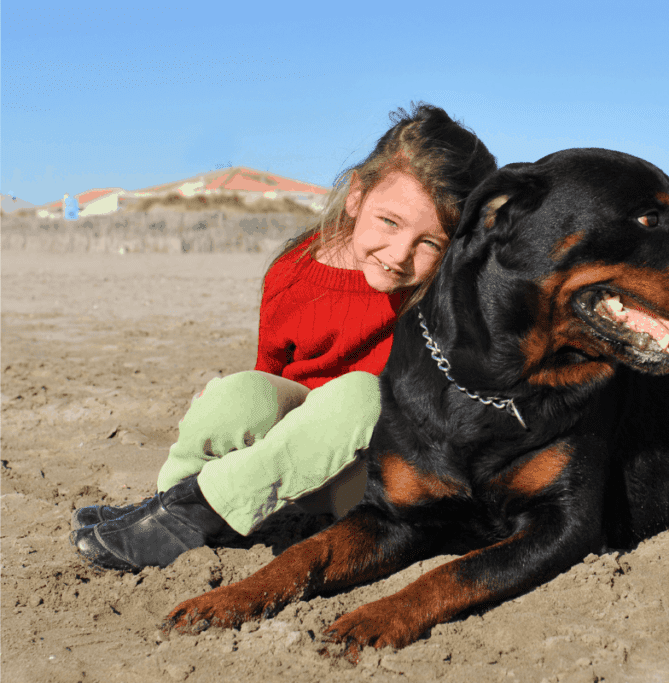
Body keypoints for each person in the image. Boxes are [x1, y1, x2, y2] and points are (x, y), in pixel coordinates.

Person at [71, 103, 498, 570]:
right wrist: (232, 404)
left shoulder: (445, 297)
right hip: (287, 465)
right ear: (356, 196)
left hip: (367, 479)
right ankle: (167, 504)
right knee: (238, 394)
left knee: (362, 393)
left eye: (430, 243)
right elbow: (268, 372)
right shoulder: (295, 271)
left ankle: (201, 511)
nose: (399, 255)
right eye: (389, 222)